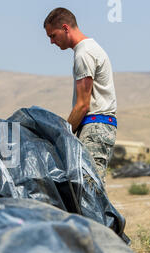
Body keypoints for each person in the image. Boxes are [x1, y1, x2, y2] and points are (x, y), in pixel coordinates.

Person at [43, 8, 117, 184]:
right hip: (96, 126)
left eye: (53, 35)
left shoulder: (84, 54)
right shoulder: (88, 49)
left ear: (65, 28)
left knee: (91, 190)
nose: (52, 42)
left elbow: (83, 105)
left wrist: (62, 135)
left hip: (95, 126)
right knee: (87, 189)